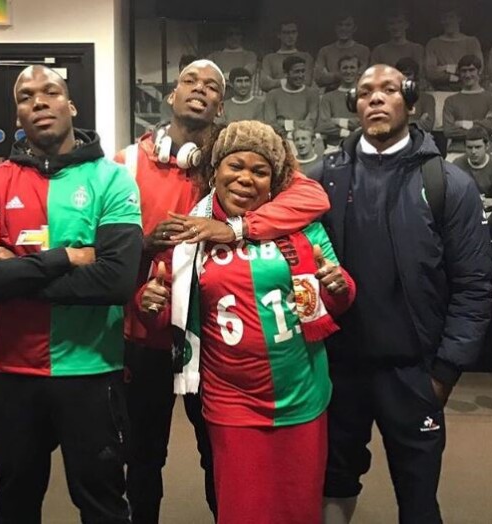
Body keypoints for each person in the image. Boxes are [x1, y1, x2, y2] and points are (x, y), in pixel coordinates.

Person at [115, 59, 332, 524]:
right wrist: (149, 246)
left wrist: (231, 228)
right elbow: (107, 244)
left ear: (221, 103)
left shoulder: (236, 158)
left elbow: (311, 197)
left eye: (212, 85)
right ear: (172, 94)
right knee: (142, 457)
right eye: (190, 81)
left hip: (209, 343)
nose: (200, 90)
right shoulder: (128, 162)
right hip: (147, 333)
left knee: (219, 458)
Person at [0, 65, 143, 524]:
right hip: (12, 375)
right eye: (25, 96)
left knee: (102, 506)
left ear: (70, 105)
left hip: (91, 373)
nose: (38, 102)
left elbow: (116, 282)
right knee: (15, 502)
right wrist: (64, 259)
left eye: (50, 92)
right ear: (18, 115)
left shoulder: (112, 179)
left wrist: (12, 272)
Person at [310, 64, 492, 524]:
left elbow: (474, 285)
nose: (375, 98)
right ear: (354, 105)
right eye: (366, 91)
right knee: (333, 481)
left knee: (417, 495)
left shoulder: (448, 184)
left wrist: (446, 370)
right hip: (339, 369)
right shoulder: (322, 180)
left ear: (410, 102)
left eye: (389, 90)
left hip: (414, 371)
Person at [442, 54, 492, 155]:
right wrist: (481, 126)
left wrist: (466, 124)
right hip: (457, 151)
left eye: (471, 70)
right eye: (464, 71)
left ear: (479, 71)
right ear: (459, 73)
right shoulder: (451, 100)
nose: (468, 75)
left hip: (485, 152)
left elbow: (490, 128)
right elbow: (448, 131)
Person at [453, 126, 492, 245]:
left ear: (487, 146)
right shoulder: (457, 164)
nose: (473, 151)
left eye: (478, 147)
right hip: (467, 211)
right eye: (469, 147)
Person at [425, 3, 483, 91]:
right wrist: (450, 71)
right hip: (441, 91)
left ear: (459, 19)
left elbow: (479, 69)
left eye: (451, 17)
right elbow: (431, 73)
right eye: (444, 18)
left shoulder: (472, 42)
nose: (448, 21)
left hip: (468, 91)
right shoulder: (433, 43)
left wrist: (442, 68)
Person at [314, 13, 370, 92]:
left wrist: (331, 76)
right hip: (331, 94)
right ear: (335, 27)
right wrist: (348, 75)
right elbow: (319, 78)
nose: (343, 28)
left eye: (348, 25)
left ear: (354, 28)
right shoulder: (325, 51)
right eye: (340, 25)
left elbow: (363, 77)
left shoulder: (363, 50)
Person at [264, 55, 320, 133]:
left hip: (303, 139)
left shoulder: (312, 94)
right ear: (286, 73)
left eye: (303, 71)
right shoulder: (272, 95)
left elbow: (311, 123)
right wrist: (298, 124)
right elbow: (270, 123)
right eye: (296, 72)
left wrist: (284, 123)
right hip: (280, 138)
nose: (300, 75)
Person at [316, 55, 360, 150]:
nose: (348, 71)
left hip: (360, 145)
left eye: (352, 67)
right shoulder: (328, 97)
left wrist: (337, 121)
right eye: (345, 68)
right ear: (339, 71)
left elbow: (364, 122)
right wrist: (348, 133)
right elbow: (323, 126)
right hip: (335, 147)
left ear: (358, 70)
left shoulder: (365, 94)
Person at [260, 20, 314, 92]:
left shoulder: (306, 57)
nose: (290, 36)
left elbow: (307, 82)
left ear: (297, 34)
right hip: (277, 99)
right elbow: (265, 84)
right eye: (286, 33)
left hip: (299, 98)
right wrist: (293, 80)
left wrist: (276, 82)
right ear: (279, 35)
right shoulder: (269, 58)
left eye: (293, 32)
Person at [396, 57, 436, 133]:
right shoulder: (390, 98)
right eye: (401, 74)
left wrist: (399, 123)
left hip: (419, 140)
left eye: (408, 74)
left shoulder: (427, 98)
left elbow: (428, 126)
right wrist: (417, 122)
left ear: (415, 76)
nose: (404, 78)